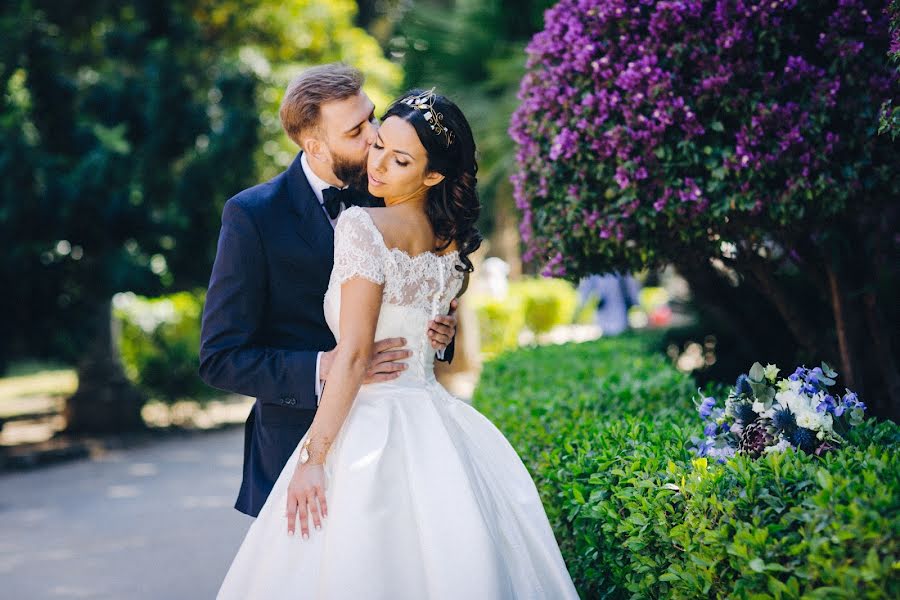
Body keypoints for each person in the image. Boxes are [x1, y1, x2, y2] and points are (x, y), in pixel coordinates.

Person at [217, 89, 579, 599]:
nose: (376, 159)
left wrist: (315, 459)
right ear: (313, 142)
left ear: (432, 175)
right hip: (425, 421)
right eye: (373, 141)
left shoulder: (364, 220)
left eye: (396, 154)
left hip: (359, 424)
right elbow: (222, 354)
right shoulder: (445, 233)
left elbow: (361, 351)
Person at [199, 64, 458, 518]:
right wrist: (325, 366)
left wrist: (437, 326)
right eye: (358, 130)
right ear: (314, 145)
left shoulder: (394, 189)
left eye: (373, 117)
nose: (377, 137)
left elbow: (423, 283)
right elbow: (220, 358)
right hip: (295, 447)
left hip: (399, 445)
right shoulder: (252, 217)